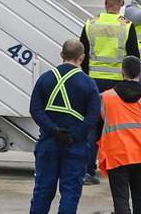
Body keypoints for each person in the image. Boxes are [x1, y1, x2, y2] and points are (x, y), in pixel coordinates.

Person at [30, 38, 101, 214]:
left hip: (48, 143)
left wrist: (53, 129)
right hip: (75, 146)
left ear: (62, 55)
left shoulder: (45, 79)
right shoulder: (88, 83)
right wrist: (75, 135)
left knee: (43, 191)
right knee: (70, 192)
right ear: (82, 57)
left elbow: (35, 110)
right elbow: (92, 117)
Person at [99, 55, 141, 214]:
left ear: (122, 72)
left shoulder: (107, 97)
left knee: (120, 201)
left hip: (116, 156)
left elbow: (99, 124)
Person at [82, 0, 140, 91]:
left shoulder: (91, 23)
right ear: (122, 3)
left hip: (93, 78)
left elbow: (83, 54)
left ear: (105, 2)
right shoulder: (127, 25)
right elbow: (134, 56)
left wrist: (87, 75)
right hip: (118, 80)